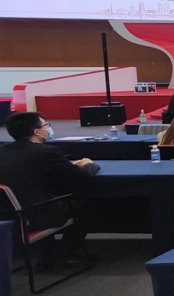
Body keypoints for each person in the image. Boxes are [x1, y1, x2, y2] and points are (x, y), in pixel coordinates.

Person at [0, 112, 100, 264]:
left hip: (8, 215)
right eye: (46, 125)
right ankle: (63, 256)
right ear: (37, 131)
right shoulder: (46, 152)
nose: (48, 128)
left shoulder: (3, 150)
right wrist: (89, 164)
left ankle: (47, 251)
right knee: (89, 203)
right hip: (37, 214)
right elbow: (82, 175)